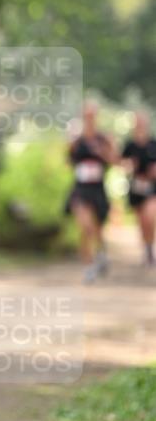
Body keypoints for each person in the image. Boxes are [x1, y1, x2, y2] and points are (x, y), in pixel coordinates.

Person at [64, 101, 117, 284]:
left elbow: (114, 161)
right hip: (80, 188)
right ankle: (88, 267)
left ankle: (101, 253)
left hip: (98, 188)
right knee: (85, 227)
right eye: (86, 114)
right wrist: (70, 144)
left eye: (92, 114)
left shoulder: (103, 139)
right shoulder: (76, 139)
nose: (89, 118)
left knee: (97, 229)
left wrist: (104, 151)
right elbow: (68, 162)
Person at [121, 110, 156, 267]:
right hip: (136, 187)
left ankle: (150, 247)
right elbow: (122, 162)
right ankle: (147, 248)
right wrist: (129, 165)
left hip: (152, 187)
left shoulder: (153, 144)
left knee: (150, 216)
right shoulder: (130, 145)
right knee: (142, 222)